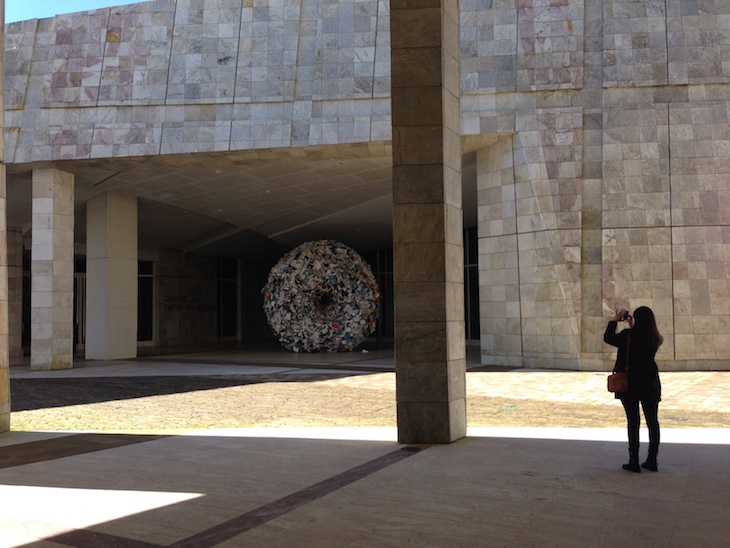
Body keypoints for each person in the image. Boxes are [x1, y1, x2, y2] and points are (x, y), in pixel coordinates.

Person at [604, 306, 663, 473]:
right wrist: (632, 327)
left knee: (633, 421)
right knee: (652, 421)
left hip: (630, 384)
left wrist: (615, 320)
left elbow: (608, 337)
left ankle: (634, 460)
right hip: (650, 383)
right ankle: (652, 460)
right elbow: (640, 342)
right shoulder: (655, 338)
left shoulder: (627, 336)